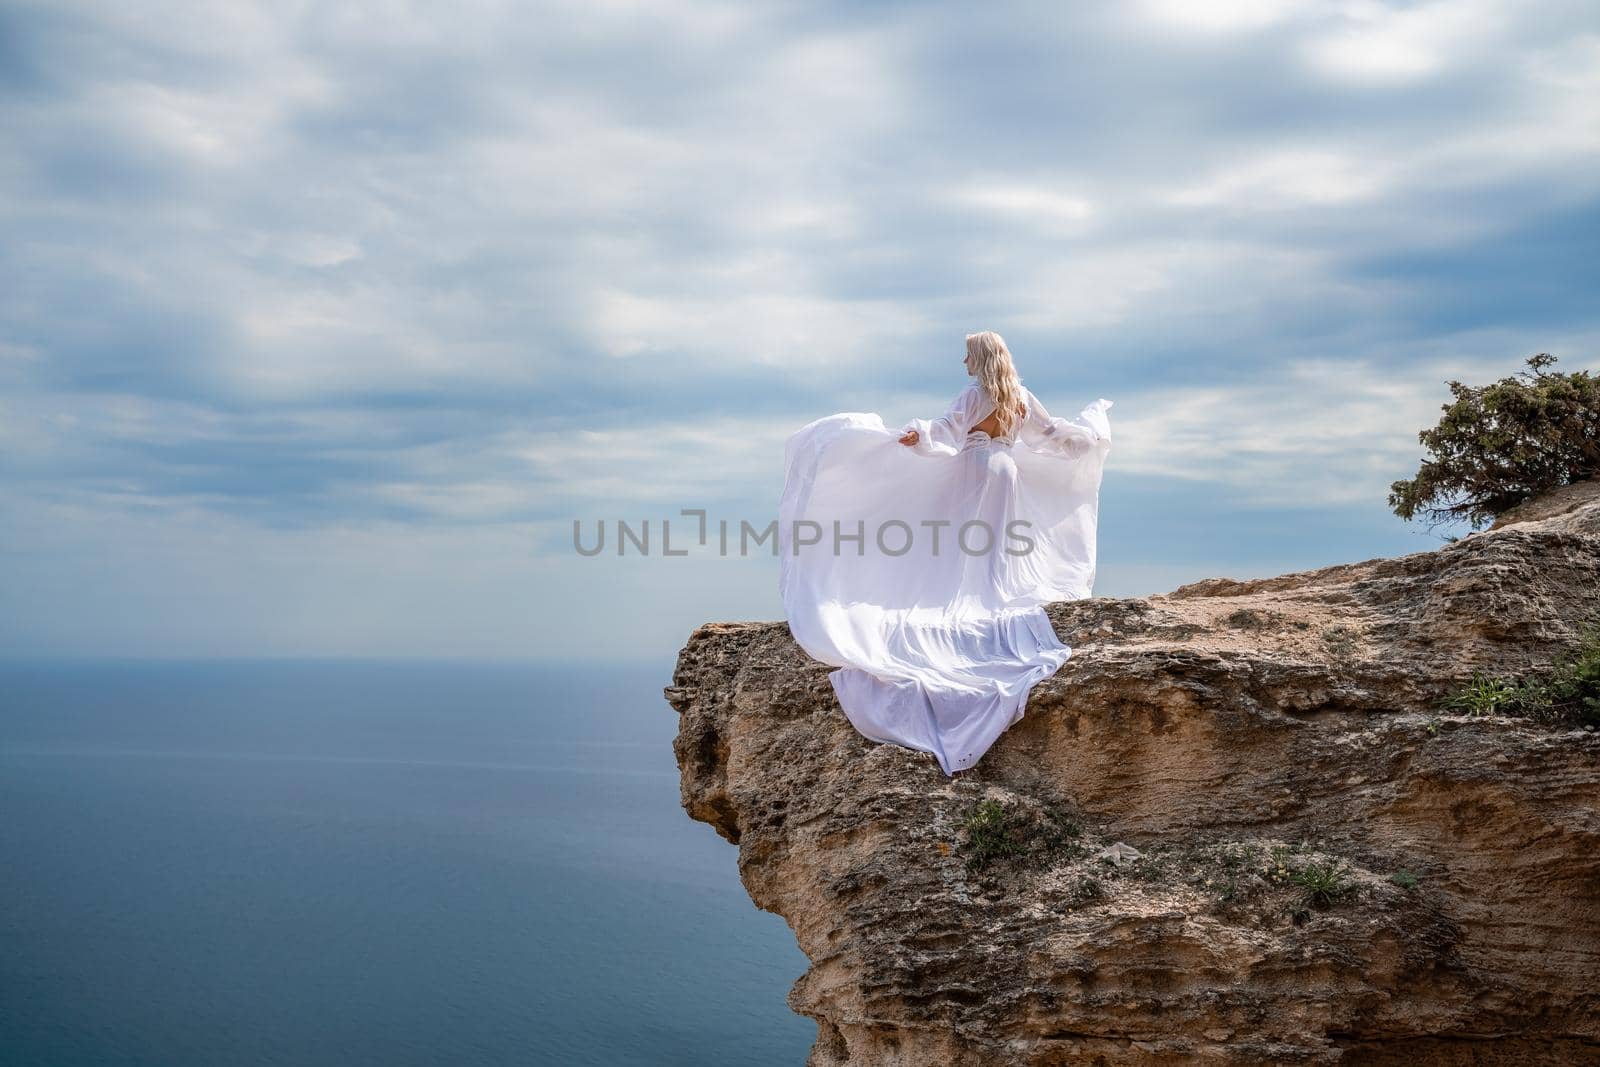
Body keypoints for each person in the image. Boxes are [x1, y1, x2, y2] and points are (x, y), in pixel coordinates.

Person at [777, 331, 1113, 776]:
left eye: (967, 355)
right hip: (1007, 470)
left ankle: (965, 593)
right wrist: (1084, 440)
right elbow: (1048, 436)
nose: (962, 361)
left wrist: (917, 436)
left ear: (980, 358)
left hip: (975, 468)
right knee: (995, 544)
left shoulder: (975, 395)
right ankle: (990, 590)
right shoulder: (1021, 398)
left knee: (964, 542)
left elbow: (947, 431)